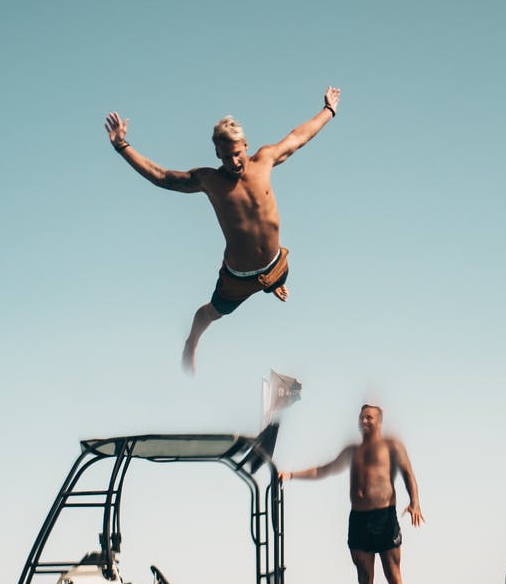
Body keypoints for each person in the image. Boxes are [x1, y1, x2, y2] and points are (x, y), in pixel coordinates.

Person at [104, 88, 341, 372]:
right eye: (226, 156)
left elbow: (298, 137)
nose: (234, 162)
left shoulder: (264, 159)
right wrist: (122, 146)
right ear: (217, 153)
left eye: (238, 154)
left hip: (277, 264)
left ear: (246, 146)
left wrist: (329, 110)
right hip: (237, 278)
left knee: (279, 278)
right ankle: (191, 342)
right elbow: (162, 177)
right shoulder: (209, 180)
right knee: (210, 314)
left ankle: (273, 284)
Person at [282, 404, 425, 584]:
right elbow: (323, 469)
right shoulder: (352, 451)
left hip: (384, 516)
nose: (364, 421)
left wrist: (415, 502)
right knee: (364, 578)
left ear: (379, 421)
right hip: (359, 519)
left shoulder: (392, 446)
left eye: (369, 417)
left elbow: (408, 473)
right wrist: (291, 475)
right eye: (361, 417)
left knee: (393, 575)